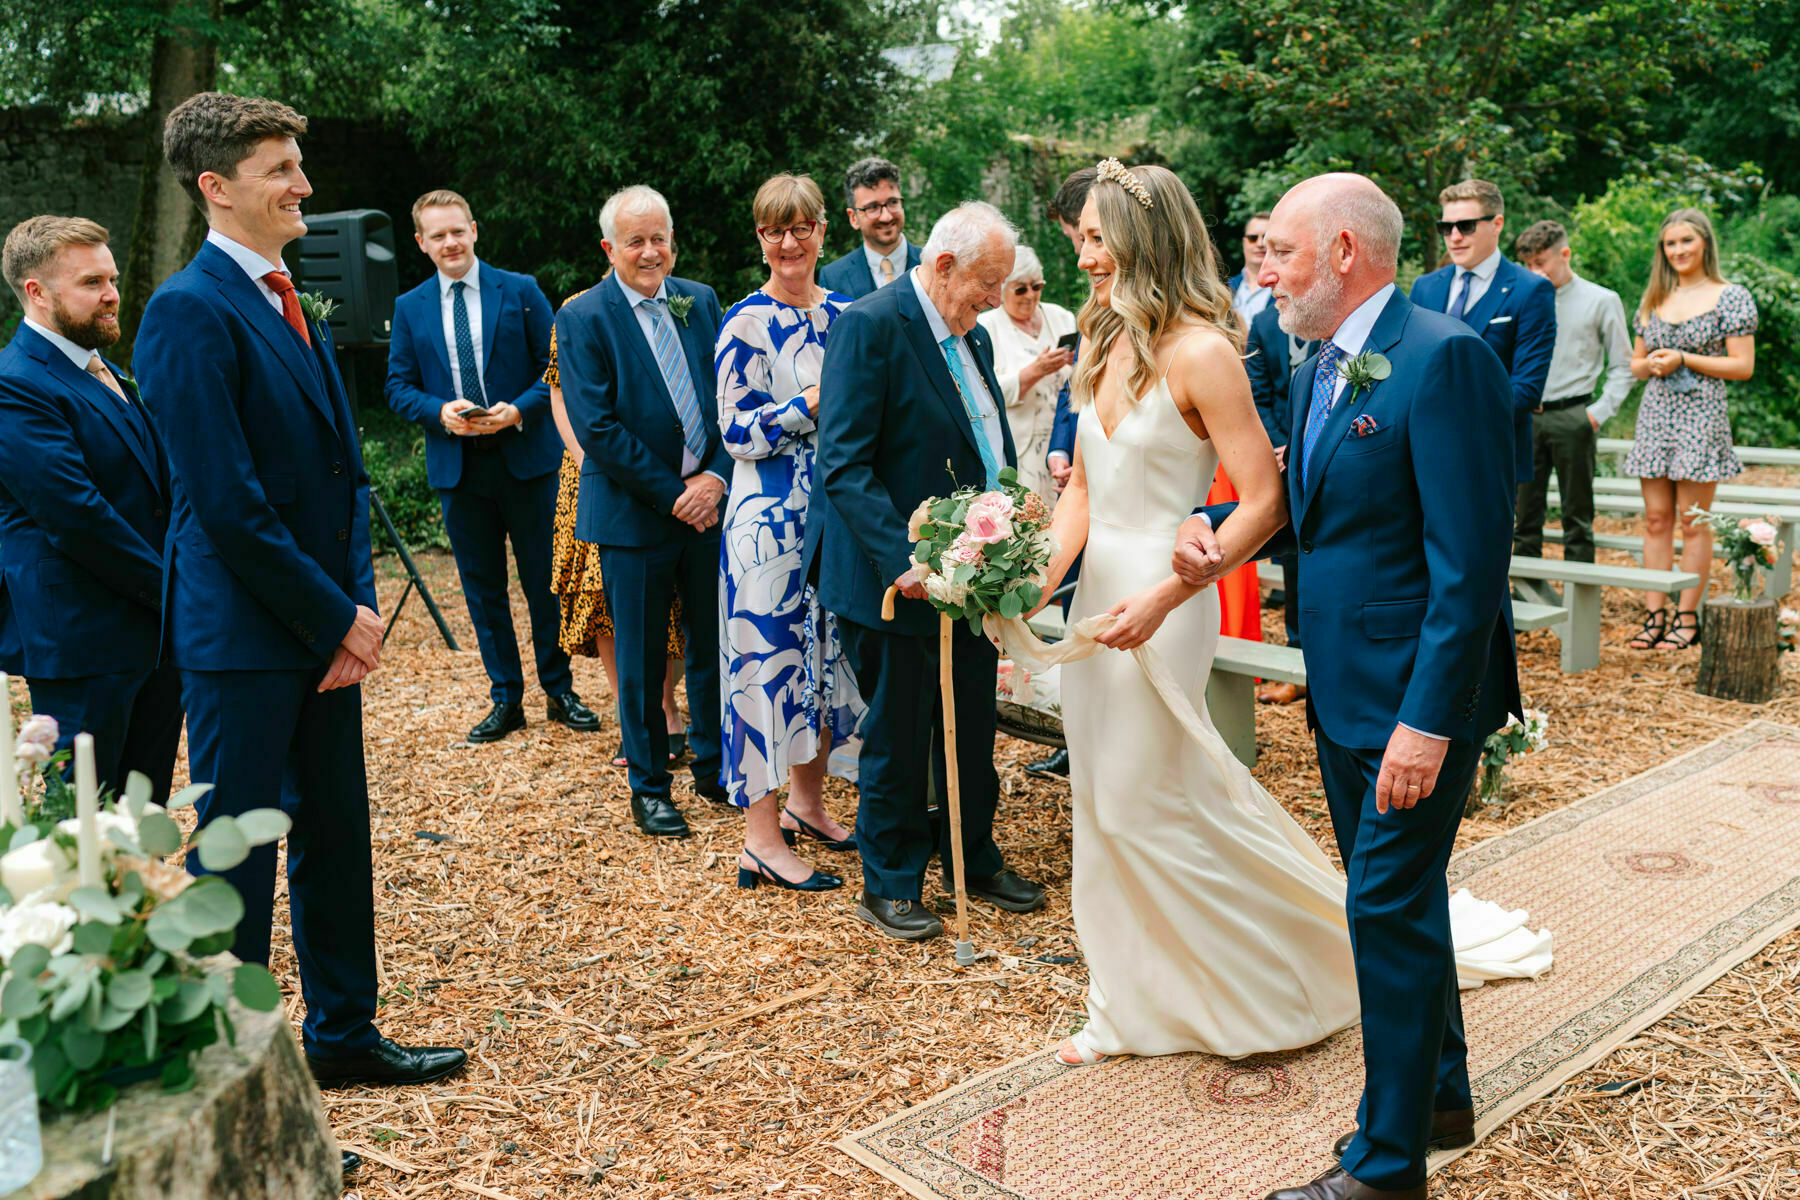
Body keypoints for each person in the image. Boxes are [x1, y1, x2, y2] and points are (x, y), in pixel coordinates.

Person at [1170, 172, 1522, 1200]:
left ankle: (1385, 1166)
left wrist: (1427, 724)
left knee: (1380, 907)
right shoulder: (1320, 358)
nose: (1262, 268)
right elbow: (1312, 496)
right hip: (1342, 688)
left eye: (1279, 250)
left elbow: (1470, 568)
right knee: (1401, 909)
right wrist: (1211, 532)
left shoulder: (1444, 358)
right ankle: (1441, 1097)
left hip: (1416, 700)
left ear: (1343, 253)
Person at [135, 92, 464, 1088]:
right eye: (281, 170)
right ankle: (240, 1086)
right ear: (215, 188)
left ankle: (343, 1037)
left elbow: (337, 478)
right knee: (236, 866)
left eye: (298, 166)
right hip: (242, 639)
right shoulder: (188, 312)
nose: (304, 188)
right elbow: (225, 506)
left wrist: (347, 616)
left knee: (335, 837)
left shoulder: (286, 294)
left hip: (323, 630)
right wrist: (339, 617)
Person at [806, 201, 1046, 941]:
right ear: (943, 266)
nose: (995, 298)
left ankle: (971, 858)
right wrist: (906, 560)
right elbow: (843, 465)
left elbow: (980, 433)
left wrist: (1009, 521)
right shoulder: (871, 325)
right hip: (893, 577)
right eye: (987, 282)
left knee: (970, 719)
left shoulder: (965, 332)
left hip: (970, 572)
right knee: (905, 729)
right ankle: (892, 880)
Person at [384, 189, 599, 743]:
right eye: (438, 235)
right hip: (459, 469)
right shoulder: (409, 308)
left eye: (457, 230)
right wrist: (438, 411)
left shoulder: (521, 291)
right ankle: (506, 698)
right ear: (421, 243)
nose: (450, 242)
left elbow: (554, 369)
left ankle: (559, 690)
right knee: (483, 590)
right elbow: (397, 387)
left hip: (526, 460)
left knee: (542, 583)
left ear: (474, 230)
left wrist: (517, 411)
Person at [555, 185, 731, 838]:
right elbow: (596, 427)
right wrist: (675, 493)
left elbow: (728, 397)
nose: (651, 251)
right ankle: (650, 785)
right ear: (610, 248)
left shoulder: (701, 300)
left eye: (660, 238)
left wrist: (714, 477)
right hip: (635, 516)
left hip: (708, 509)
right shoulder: (582, 317)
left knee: (713, 643)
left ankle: (714, 767)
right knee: (640, 656)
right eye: (636, 241)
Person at [715, 173, 865, 891]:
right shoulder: (744, 323)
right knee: (765, 670)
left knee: (823, 661)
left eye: (801, 227)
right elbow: (737, 432)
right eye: (775, 230)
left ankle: (808, 803)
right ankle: (760, 840)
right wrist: (807, 403)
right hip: (767, 525)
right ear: (761, 238)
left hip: (833, 513)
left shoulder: (846, 315)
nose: (789, 242)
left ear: (822, 230)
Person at [0, 216, 182, 803]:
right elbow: (76, 515)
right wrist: (181, 590)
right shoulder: (16, 383)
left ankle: (143, 897)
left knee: (142, 809)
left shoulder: (107, 369)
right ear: (37, 292)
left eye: (112, 278)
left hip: (150, 634)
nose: (111, 294)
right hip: (82, 641)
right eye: (91, 283)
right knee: (81, 821)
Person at [545, 286, 690, 767]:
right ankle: (637, 719)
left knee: (671, 597)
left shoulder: (684, 302)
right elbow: (561, 392)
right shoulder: (578, 310)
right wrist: (594, 461)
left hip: (676, 475)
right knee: (605, 599)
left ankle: (670, 709)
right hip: (598, 475)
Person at [1624, 208, 1757, 650]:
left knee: (1693, 522)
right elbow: (1636, 366)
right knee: (1657, 519)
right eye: (1670, 243)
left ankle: (1687, 616)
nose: (1678, 250)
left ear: (1704, 244)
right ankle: (1654, 612)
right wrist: (1652, 362)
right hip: (1656, 413)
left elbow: (1742, 366)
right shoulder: (1653, 297)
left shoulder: (1730, 296)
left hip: (1702, 413)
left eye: (1686, 241)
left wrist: (1684, 357)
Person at [1410, 179, 1556, 484]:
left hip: (1490, 455)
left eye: (1466, 226)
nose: (1455, 237)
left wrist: (1450, 419)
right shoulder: (1425, 287)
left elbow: (1526, 389)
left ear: (1497, 224)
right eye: (1445, 227)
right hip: (1421, 453)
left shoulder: (1531, 290)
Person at [1512, 219, 1635, 564]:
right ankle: (1526, 596)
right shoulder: (1520, 298)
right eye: (1527, 265)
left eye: (1540, 263)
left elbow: (1623, 366)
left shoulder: (1601, 300)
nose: (1533, 272)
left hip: (1574, 414)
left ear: (1564, 254)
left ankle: (1579, 604)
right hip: (1526, 416)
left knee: (1578, 517)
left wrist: (1598, 413)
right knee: (1524, 518)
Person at [1029, 166, 1098, 780]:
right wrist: (1062, 452)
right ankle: (1077, 741)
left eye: (1085, 240)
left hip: (1146, 535)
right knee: (1077, 625)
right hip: (1077, 503)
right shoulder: (1091, 320)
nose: (1080, 257)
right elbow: (1068, 404)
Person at [1244, 300, 1316, 703]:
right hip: (1282, 459)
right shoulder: (1265, 322)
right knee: (1291, 564)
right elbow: (1258, 391)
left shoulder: (1332, 312)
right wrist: (1283, 447)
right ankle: (1297, 664)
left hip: (1331, 451)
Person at [977, 245, 1074, 504]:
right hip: (1022, 448)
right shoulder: (986, 327)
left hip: (1065, 443)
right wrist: (1034, 372)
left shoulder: (1061, 317)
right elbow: (986, 394)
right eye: (1020, 288)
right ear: (1002, 288)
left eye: (1037, 286)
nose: (1030, 295)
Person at [817, 157, 920, 300]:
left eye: (893, 202)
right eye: (873, 207)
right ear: (853, 218)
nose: (886, 217)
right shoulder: (833, 278)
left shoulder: (932, 265)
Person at [1227, 210, 1272, 318]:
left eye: (1266, 238)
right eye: (1253, 238)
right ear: (1244, 242)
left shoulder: (1287, 289)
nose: (1260, 244)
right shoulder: (1226, 286)